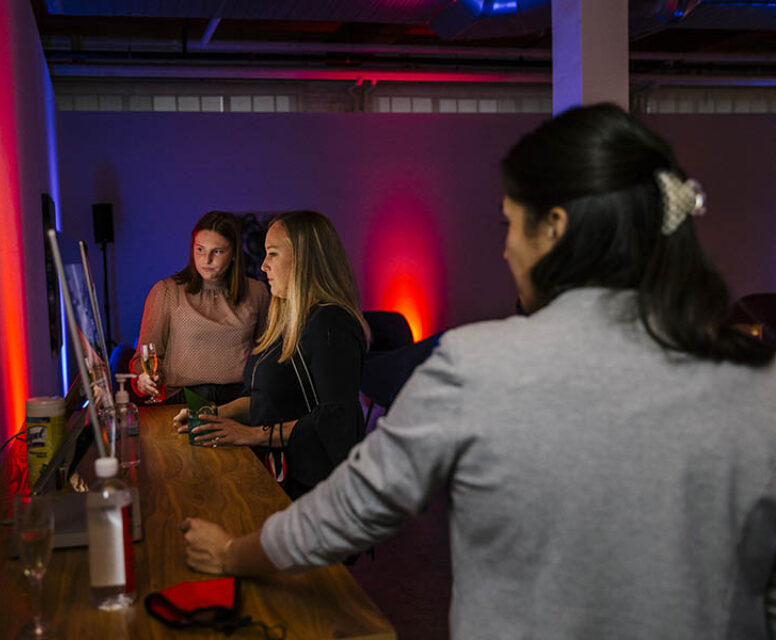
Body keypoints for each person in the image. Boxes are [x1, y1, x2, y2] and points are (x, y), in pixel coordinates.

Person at [179, 105, 776, 639]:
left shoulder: (477, 366)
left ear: (556, 229)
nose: (505, 249)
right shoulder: (755, 383)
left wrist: (232, 553)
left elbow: (348, 510)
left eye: (509, 224)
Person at [177, 210, 370, 499]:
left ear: (305, 259)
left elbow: (335, 421)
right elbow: (266, 396)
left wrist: (251, 434)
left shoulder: (330, 323)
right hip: (279, 472)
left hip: (316, 491)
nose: (264, 266)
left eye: (273, 254)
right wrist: (213, 415)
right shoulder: (289, 318)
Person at [130, 211, 269, 405]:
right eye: (200, 249)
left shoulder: (257, 292)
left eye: (217, 251)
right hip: (183, 399)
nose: (206, 260)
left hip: (240, 399)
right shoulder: (167, 292)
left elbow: (267, 356)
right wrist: (144, 379)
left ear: (234, 254)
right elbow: (142, 359)